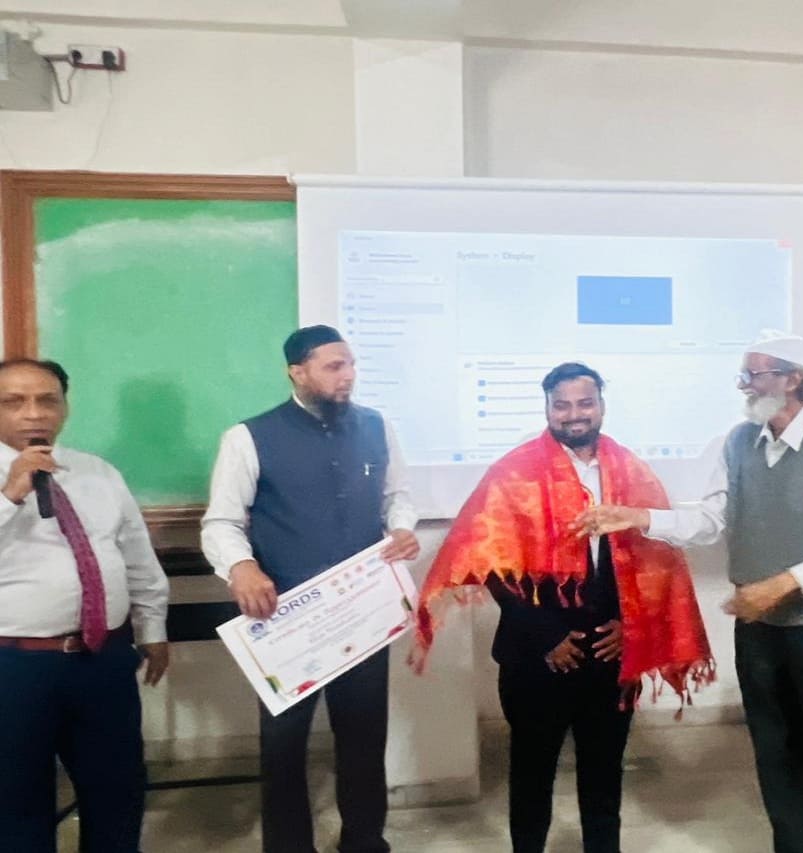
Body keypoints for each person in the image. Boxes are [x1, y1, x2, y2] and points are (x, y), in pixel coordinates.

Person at [577, 331, 803, 853]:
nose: (745, 386)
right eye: (743, 375)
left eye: (755, 374)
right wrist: (639, 517)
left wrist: (786, 583)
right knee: (776, 755)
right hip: (758, 630)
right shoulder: (738, 442)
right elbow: (710, 520)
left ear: (793, 380)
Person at [411, 362, 712, 853]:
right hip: (535, 655)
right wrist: (545, 636)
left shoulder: (631, 471)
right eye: (562, 405)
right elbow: (487, 562)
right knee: (532, 775)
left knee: (604, 775)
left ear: (601, 406)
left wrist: (630, 626)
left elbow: (654, 561)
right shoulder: (514, 473)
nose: (574, 415)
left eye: (585, 403)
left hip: (612, 651)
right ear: (548, 408)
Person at [201, 326, 420, 853]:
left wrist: (403, 528)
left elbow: (398, 496)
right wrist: (241, 567)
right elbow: (221, 522)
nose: (348, 377)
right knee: (283, 746)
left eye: (351, 365)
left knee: (364, 737)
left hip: (363, 611)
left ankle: (364, 841)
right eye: (333, 366)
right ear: (297, 372)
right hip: (285, 616)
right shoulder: (247, 437)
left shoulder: (377, 426)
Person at [0, 358, 170, 852]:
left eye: (47, 400)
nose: (34, 413)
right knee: (17, 799)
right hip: (15, 666)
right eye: (14, 402)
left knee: (118, 790)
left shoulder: (98, 472)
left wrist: (152, 628)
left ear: (65, 407)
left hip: (104, 659)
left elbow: (136, 554)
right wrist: (10, 494)